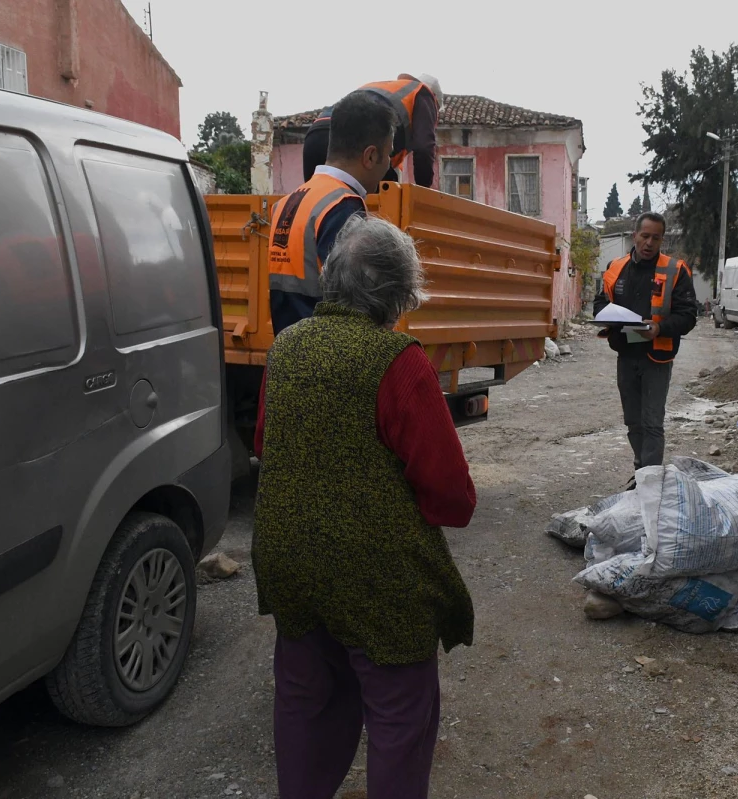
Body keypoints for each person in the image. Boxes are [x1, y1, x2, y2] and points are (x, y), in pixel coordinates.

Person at [252, 214, 476, 799]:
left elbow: (265, 446)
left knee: (304, 701)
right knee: (400, 717)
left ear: (331, 278)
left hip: (289, 562)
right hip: (376, 579)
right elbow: (452, 497)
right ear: (399, 293)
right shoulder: (398, 360)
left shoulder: (286, 349)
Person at [254, 88, 397, 458]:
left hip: (291, 362)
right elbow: (355, 308)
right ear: (370, 155)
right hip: (330, 379)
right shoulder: (343, 206)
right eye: (388, 154)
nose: (390, 167)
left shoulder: (292, 200)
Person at [593, 212, 699, 490]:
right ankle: (642, 470)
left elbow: (688, 315)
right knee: (633, 421)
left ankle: (650, 482)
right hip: (626, 354)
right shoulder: (616, 268)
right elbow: (599, 305)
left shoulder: (676, 270)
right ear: (634, 235)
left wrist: (659, 328)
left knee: (652, 422)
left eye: (656, 237)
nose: (650, 243)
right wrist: (606, 319)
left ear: (662, 239)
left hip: (657, 356)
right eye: (645, 236)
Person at [303, 74, 443, 188]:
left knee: (315, 202)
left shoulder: (385, 88)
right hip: (354, 139)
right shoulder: (423, 93)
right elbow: (424, 147)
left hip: (315, 136)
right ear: (435, 100)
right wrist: (424, 193)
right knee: (386, 200)